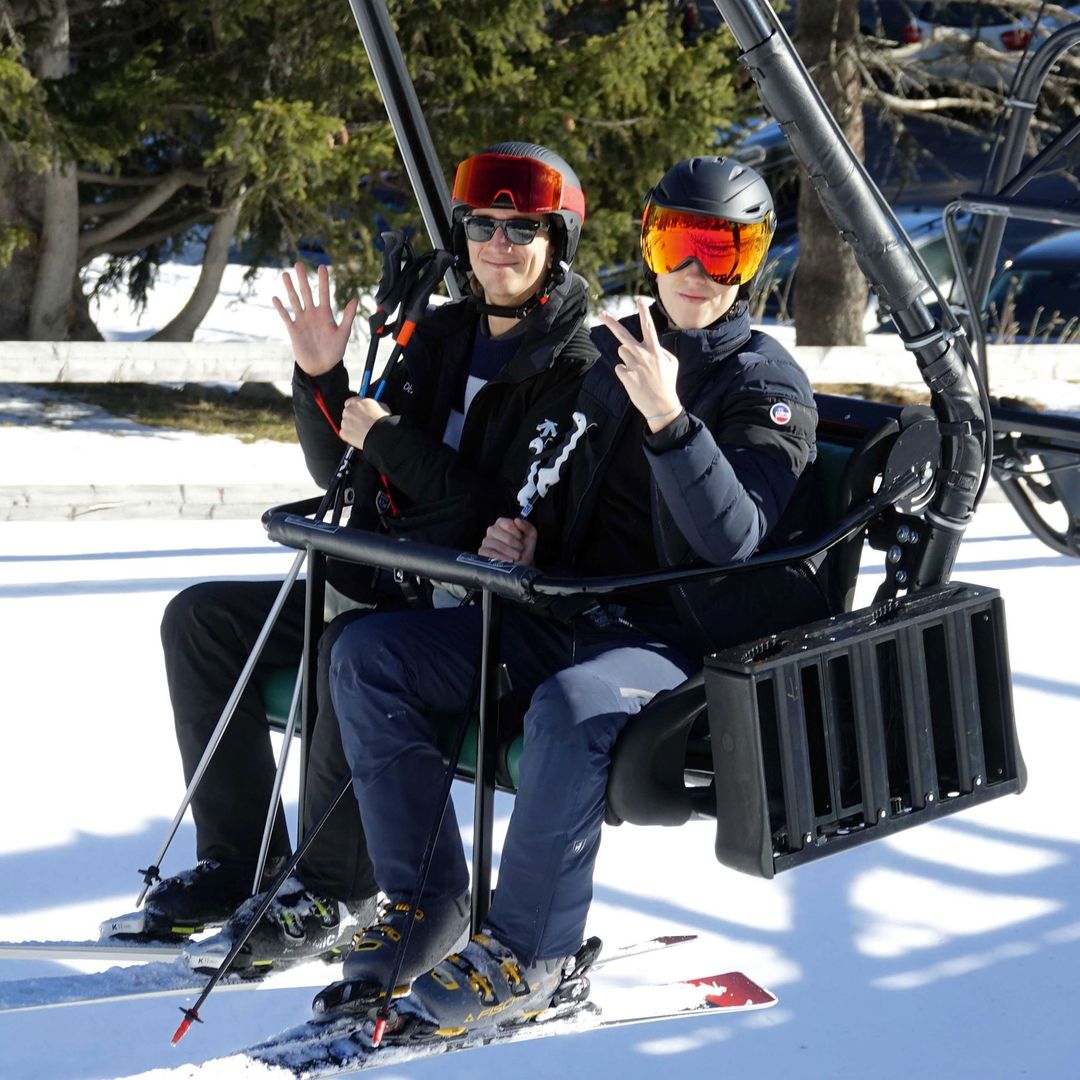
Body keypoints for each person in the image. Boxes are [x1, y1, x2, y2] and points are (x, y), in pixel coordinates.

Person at [317, 156, 830, 1033]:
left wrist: (673, 423)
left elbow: (733, 541)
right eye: (678, 244)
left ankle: (532, 954)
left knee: (569, 709)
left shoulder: (762, 386)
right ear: (651, 245)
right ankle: (427, 899)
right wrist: (527, 532)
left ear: (752, 262)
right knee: (368, 656)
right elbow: (556, 473)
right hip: (570, 607)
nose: (696, 274)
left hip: (677, 635)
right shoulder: (615, 352)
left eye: (723, 251)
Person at [101, 143, 597, 976]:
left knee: (350, 644)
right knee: (202, 620)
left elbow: (497, 513)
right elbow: (344, 469)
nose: (499, 244)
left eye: (523, 229)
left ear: (559, 243)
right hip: (389, 578)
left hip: (474, 621)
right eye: (483, 225)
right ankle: (238, 863)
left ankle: (334, 887)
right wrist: (321, 379)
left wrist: (388, 441)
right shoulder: (443, 334)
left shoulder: (574, 366)